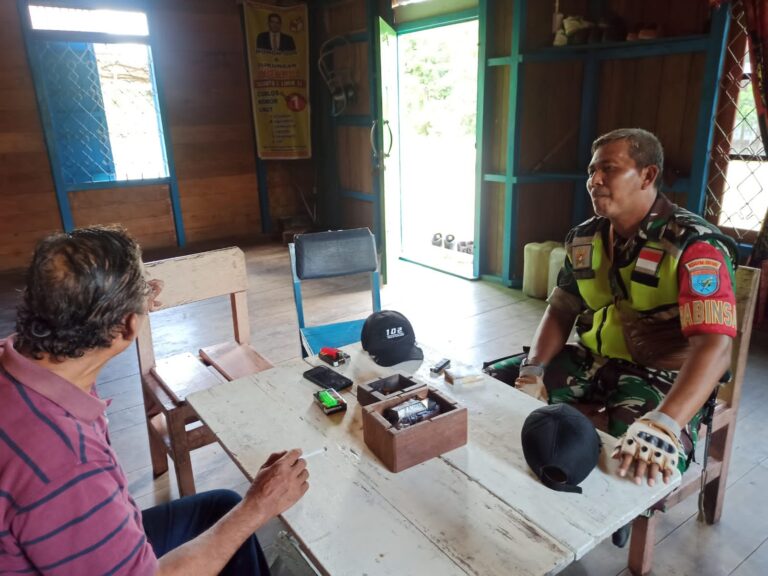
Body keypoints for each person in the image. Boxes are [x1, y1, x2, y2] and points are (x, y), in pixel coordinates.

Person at [0, 226, 309, 575]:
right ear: (127, 328)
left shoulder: (27, 361)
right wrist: (258, 507)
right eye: (143, 289)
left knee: (221, 506)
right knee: (240, 514)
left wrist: (128, 304)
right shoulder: (69, 464)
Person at [486, 128, 738, 490]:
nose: (595, 181)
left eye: (609, 169)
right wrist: (532, 370)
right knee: (490, 390)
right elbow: (561, 310)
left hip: (661, 377)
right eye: (592, 171)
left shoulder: (694, 246)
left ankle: (612, 516)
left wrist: (665, 422)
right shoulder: (584, 238)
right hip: (590, 361)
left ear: (648, 175)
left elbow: (715, 348)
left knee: (637, 461)